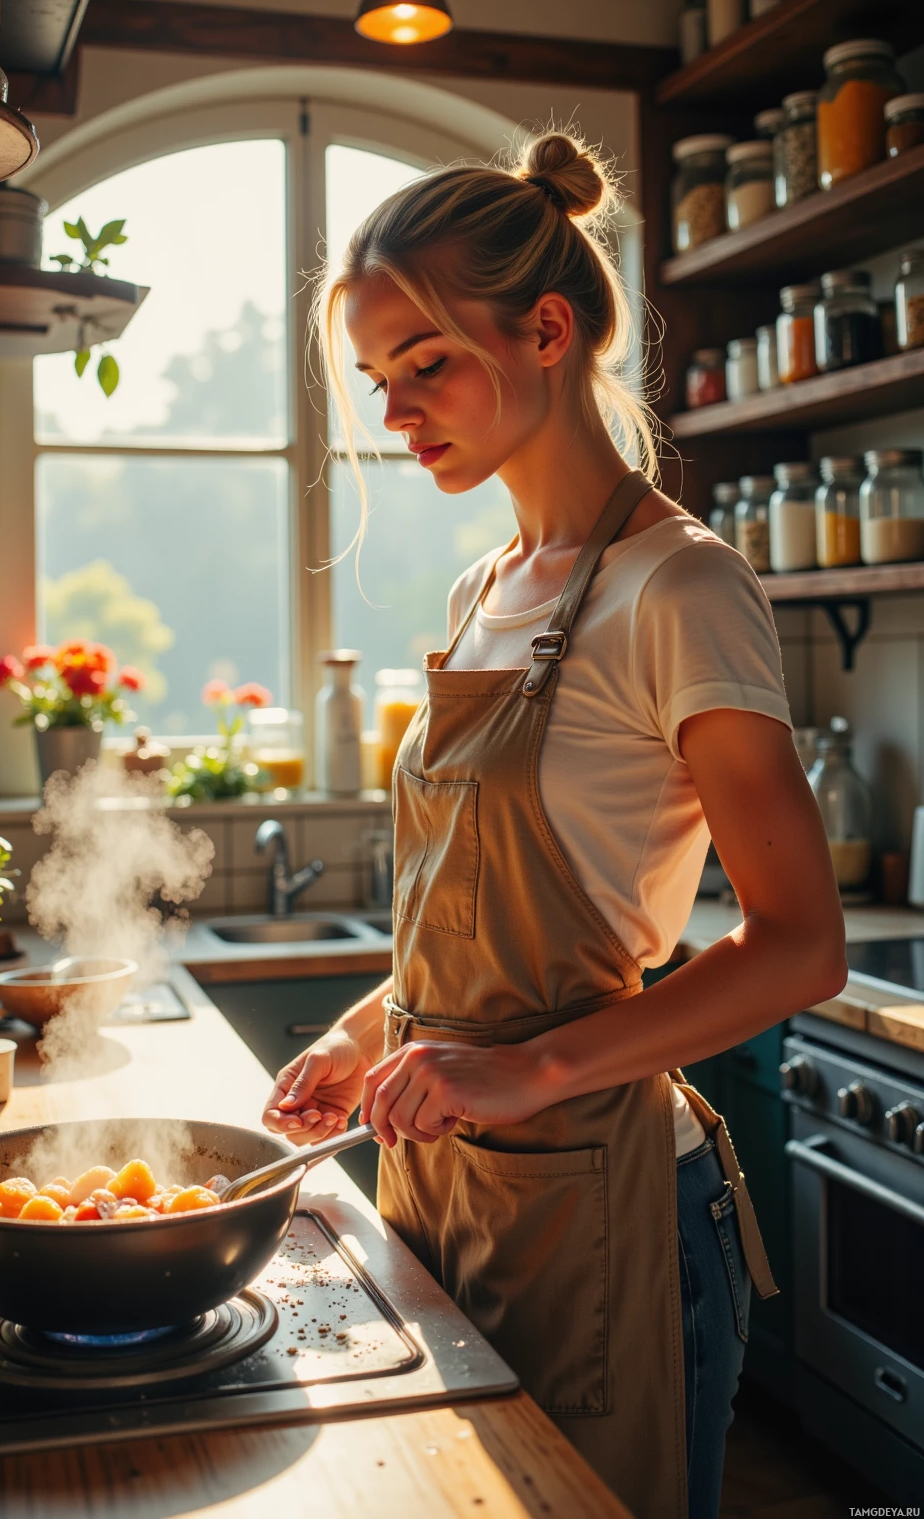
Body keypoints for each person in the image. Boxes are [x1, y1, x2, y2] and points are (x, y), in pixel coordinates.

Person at [262, 131, 846, 1519]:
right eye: (377, 381)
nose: (399, 412)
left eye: (427, 363)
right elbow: (473, 910)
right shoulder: (484, 589)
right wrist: (368, 1035)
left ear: (545, 329)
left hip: (612, 1202)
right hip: (450, 1180)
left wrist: (530, 1074)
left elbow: (800, 946)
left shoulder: (682, 588)